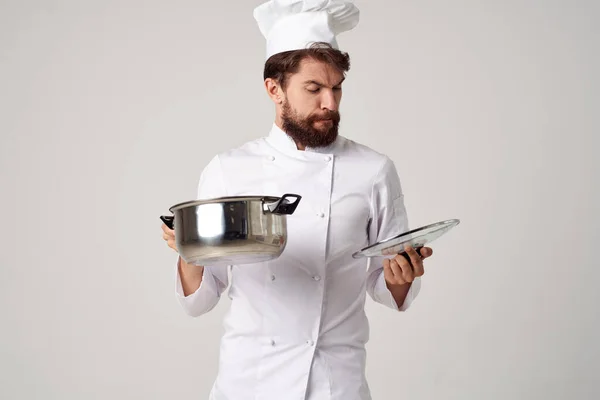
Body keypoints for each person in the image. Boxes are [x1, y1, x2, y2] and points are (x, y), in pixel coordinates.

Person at [161, 1, 433, 399]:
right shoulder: (229, 170)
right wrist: (189, 251)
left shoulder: (373, 170)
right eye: (314, 89)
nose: (331, 103)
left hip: (336, 383)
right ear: (275, 89)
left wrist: (401, 278)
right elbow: (199, 301)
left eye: (337, 87)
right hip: (249, 382)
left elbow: (385, 282)